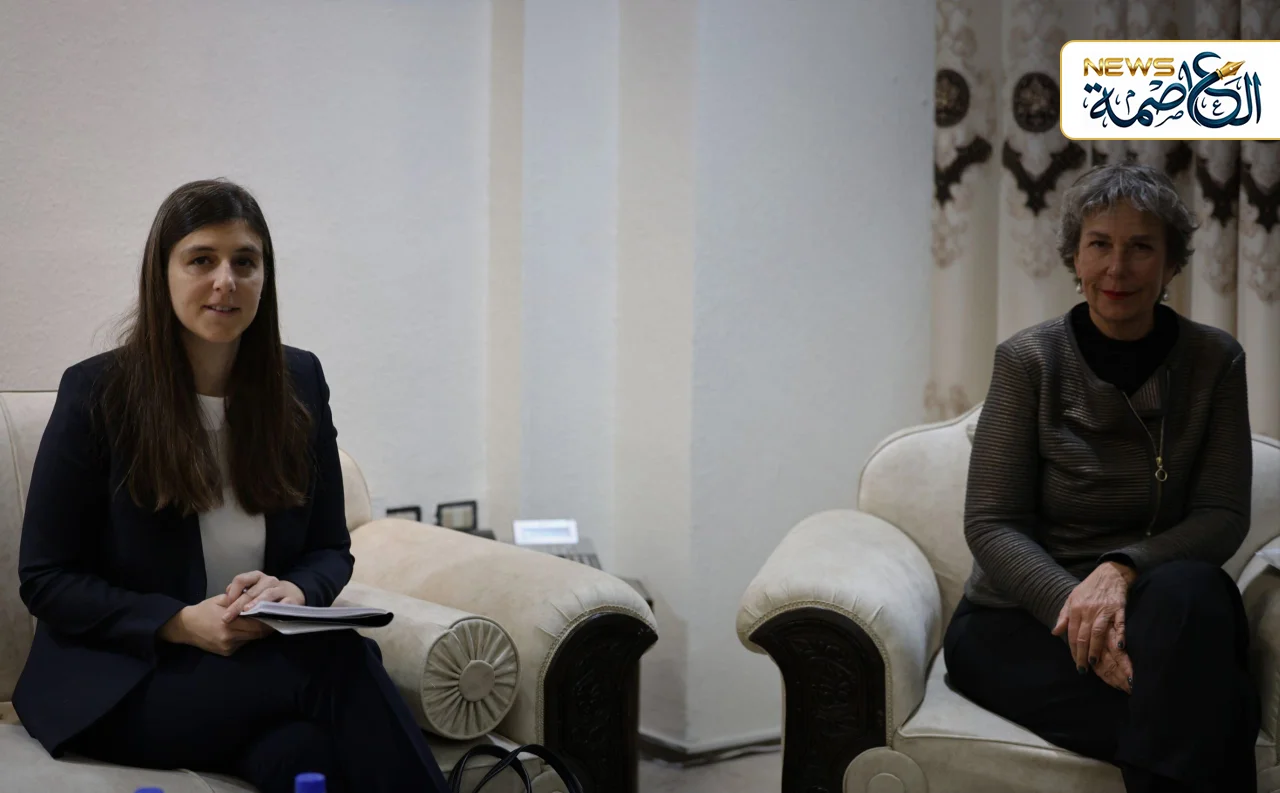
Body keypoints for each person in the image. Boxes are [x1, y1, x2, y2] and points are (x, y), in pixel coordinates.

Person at [14, 180, 450, 793]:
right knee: (343, 662)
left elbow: (330, 548)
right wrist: (178, 622)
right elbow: (47, 578)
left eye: (245, 262)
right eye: (201, 260)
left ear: (264, 278)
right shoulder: (98, 393)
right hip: (126, 681)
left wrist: (295, 591)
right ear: (162, 274)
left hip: (248, 672)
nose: (226, 281)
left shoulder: (299, 380)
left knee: (304, 757)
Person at [944, 163, 1259, 793]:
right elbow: (992, 522)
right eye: (1099, 244)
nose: (1118, 268)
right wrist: (1077, 608)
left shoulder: (1214, 361)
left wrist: (1121, 569)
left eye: (1141, 247)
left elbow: (1223, 514)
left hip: (1156, 610)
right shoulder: (1028, 360)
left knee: (1194, 590)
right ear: (1075, 256)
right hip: (1024, 621)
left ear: (1171, 264)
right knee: (1205, 709)